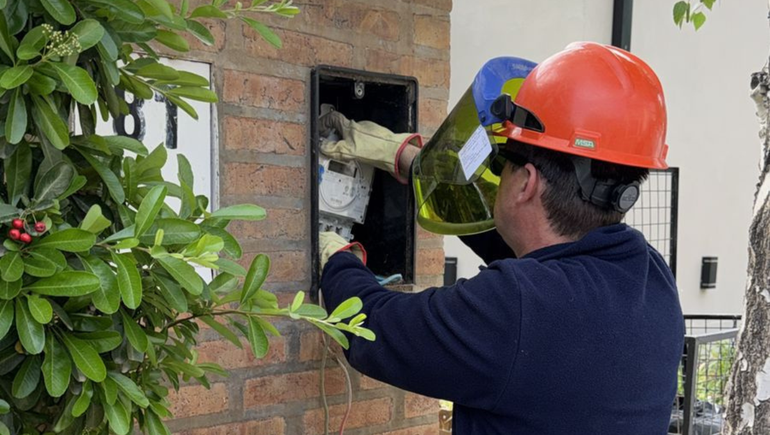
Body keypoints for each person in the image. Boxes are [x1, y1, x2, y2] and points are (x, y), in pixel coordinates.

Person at [319, 42, 684, 435]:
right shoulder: (650, 278)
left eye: (501, 165)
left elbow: (373, 328)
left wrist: (336, 255)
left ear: (525, 183)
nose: (497, 177)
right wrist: (419, 166)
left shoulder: (517, 308)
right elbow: (529, 249)